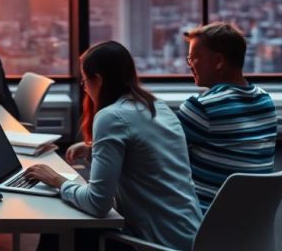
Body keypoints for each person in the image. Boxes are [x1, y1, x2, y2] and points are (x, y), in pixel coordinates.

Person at [27, 41, 202, 251]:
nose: (85, 89)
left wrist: (57, 181)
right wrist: (94, 148)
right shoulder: (157, 106)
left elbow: (97, 204)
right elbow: (146, 156)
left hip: (153, 244)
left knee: (60, 223)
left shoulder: (110, 117)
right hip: (190, 237)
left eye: (84, 82)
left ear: (98, 80)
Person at [178, 22, 278, 213]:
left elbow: (164, 158)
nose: (190, 66)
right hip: (251, 223)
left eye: (193, 58)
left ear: (218, 61)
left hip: (202, 222)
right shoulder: (266, 102)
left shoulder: (201, 108)